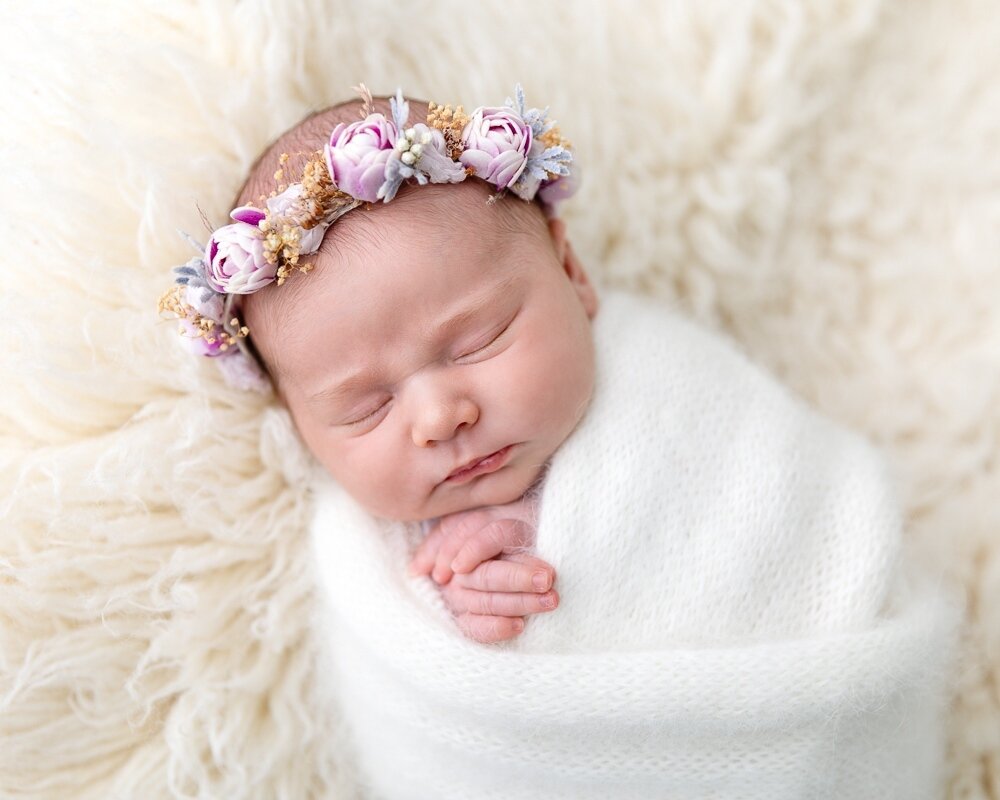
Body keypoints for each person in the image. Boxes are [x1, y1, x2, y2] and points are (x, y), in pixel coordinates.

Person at [159, 86, 598, 643]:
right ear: (298, 424)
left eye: (477, 343)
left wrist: (557, 533)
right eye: (367, 408)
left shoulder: (648, 375)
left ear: (571, 272)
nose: (439, 418)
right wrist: (453, 598)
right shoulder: (360, 551)